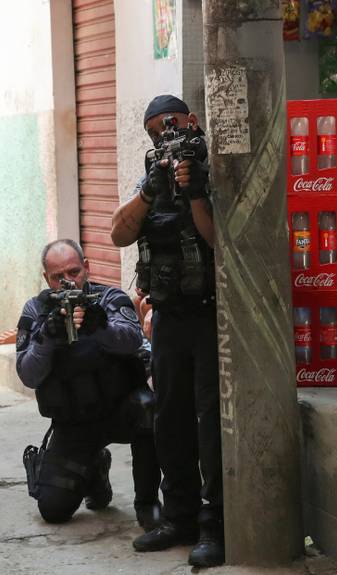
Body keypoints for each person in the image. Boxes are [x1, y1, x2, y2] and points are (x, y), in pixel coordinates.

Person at [109, 95, 223, 567]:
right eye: (155, 129)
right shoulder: (151, 176)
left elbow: (219, 239)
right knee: (169, 417)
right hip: (169, 317)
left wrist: (194, 190)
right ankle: (178, 516)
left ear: (192, 122)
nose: (165, 135)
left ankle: (215, 524)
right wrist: (149, 192)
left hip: (209, 314)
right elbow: (119, 233)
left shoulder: (213, 169)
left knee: (210, 422)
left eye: (172, 124)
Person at [16, 239, 162, 533]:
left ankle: (147, 502)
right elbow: (28, 375)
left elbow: (132, 339)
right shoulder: (36, 310)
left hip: (119, 411)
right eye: (58, 277)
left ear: (87, 268)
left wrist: (101, 329)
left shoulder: (108, 299)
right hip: (73, 422)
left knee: (149, 410)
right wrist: (47, 338)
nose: (68, 282)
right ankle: (95, 471)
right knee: (53, 509)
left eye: (73, 272)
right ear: (47, 278)